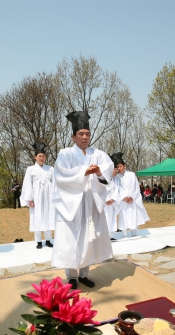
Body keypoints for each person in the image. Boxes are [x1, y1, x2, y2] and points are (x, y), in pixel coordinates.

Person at [52, 111, 114, 289]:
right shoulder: (65, 154)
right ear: (73, 136)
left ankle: (85, 274)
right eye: (81, 134)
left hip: (90, 202)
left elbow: (108, 170)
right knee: (72, 240)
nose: (85, 137)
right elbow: (60, 176)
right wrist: (83, 172)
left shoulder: (98, 154)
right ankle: (71, 276)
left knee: (89, 238)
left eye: (87, 134)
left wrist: (99, 171)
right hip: (72, 204)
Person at [20, 142, 56, 249]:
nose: (41, 158)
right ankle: (39, 241)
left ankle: (49, 239)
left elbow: (55, 184)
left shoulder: (50, 169)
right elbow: (27, 184)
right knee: (37, 217)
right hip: (37, 197)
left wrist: (55, 197)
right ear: (35, 157)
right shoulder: (30, 169)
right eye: (39, 156)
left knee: (48, 216)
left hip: (48, 197)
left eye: (43, 156)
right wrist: (29, 199)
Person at [114, 153, 150, 237]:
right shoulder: (117, 177)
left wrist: (131, 197)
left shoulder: (131, 175)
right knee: (123, 215)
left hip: (131, 199)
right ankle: (124, 233)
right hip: (123, 200)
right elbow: (118, 188)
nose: (119, 168)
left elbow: (135, 187)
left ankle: (134, 232)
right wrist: (124, 197)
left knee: (132, 214)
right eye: (117, 167)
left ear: (124, 166)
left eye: (120, 166)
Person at [105, 154, 122, 240]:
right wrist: (106, 200)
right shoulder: (103, 178)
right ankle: (104, 237)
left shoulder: (117, 179)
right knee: (105, 219)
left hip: (112, 203)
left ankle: (111, 236)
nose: (117, 172)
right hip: (104, 204)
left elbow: (117, 190)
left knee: (112, 219)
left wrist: (113, 199)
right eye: (116, 170)